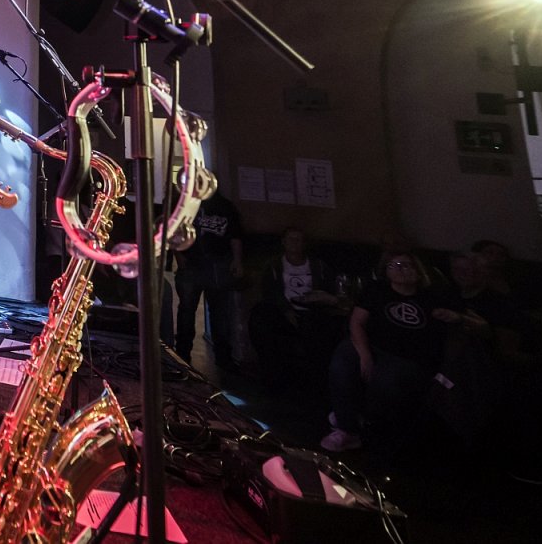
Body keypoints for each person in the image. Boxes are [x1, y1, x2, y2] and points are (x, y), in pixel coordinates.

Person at [322, 248, 453, 455]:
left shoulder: (432, 297)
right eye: (394, 266)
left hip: (407, 357)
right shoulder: (377, 290)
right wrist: (365, 355)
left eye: (406, 265)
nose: (400, 269)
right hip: (372, 346)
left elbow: (448, 325)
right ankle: (347, 428)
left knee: (386, 381)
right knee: (343, 361)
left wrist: (455, 318)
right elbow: (356, 322)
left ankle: (359, 420)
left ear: (418, 271)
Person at [248, 226, 344, 392]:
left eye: (299, 240)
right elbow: (269, 292)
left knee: (325, 331)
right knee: (261, 318)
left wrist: (323, 298)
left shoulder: (318, 265)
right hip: (282, 311)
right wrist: (286, 310)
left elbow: (331, 289)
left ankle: (318, 384)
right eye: (291, 239)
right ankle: (274, 380)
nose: (295, 243)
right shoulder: (274, 265)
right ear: (284, 242)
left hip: (313, 311)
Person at [172, 190, 245, 373]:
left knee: (215, 312)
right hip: (195, 264)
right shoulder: (188, 203)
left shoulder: (223, 206)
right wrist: (179, 256)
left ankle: (217, 356)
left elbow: (235, 234)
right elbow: (173, 230)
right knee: (191, 311)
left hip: (216, 265)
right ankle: (184, 354)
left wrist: (237, 260)